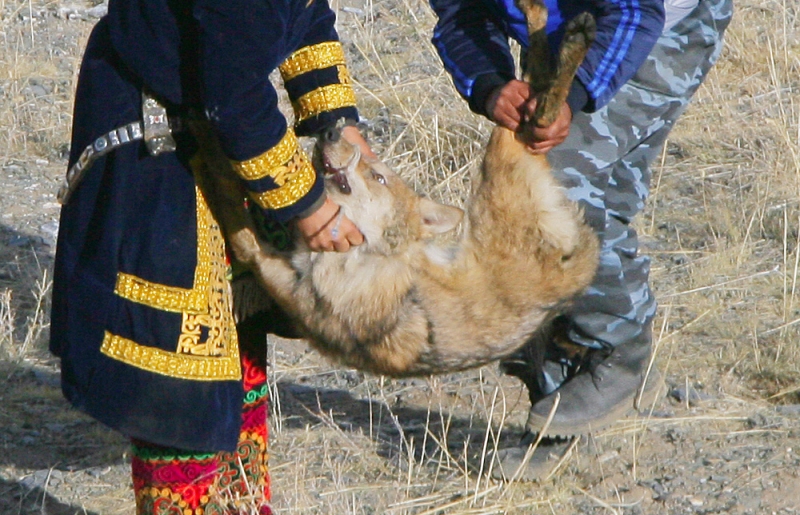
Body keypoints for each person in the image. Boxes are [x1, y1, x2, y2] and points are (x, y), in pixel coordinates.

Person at [49, 1, 374, 513]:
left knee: (234, 330)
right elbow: (235, 93)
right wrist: (308, 206)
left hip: (217, 132)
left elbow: (306, 15)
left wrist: (338, 121)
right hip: (154, 134)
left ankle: (240, 504)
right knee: (176, 373)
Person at [428, 0, 733, 478]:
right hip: (564, 27)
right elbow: (460, 13)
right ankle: (563, 404)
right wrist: (490, 85)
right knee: (578, 191)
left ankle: (616, 353)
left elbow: (637, 11)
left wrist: (578, 94)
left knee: (557, 188)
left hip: (661, 18)